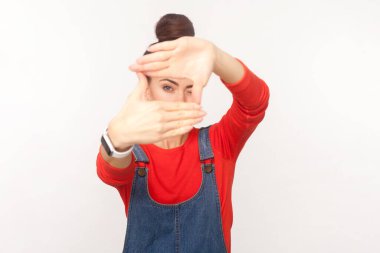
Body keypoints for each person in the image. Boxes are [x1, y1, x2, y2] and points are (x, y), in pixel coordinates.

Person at [96, 13, 270, 253]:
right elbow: (110, 170)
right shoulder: (133, 155)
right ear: (146, 90)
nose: (180, 100)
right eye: (168, 87)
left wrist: (216, 57)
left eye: (190, 88)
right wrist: (116, 138)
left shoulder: (220, 144)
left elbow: (255, 103)